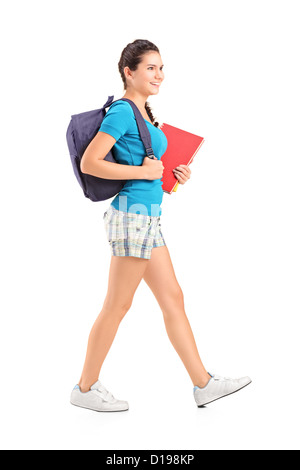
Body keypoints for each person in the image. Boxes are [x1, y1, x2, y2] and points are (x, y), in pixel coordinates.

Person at [70, 39, 251, 412]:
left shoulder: (143, 114)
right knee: (117, 305)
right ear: (129, 72)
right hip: (132, 218)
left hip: (147, 217)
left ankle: (203, 384)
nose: (159, 75)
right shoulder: (122, 112)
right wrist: (144, 171)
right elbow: (91, 162)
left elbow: (149, 170)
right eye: (150, 68)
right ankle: (85, 389)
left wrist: (172, 176)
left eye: (161, 68)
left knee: (173, 298)